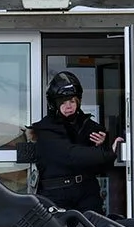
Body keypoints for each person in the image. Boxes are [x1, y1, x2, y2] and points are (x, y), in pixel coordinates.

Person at [30, 69, 116, 213]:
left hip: (87, 192)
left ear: (78, 101)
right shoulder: (46, 129)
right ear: (54, 104)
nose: (68, 106)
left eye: (72, 101)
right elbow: (69, 155)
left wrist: (101, 146)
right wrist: (105, 153)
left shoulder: (90, 127)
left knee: (93, 225)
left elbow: (101, 169)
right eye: (63, 102)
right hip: (56, 193)